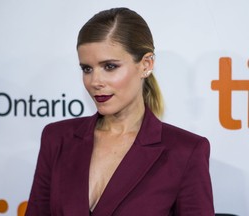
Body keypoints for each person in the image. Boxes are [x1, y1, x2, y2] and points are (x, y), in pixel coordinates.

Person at [25, 7, 215, 216]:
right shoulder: (57, 138)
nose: (95, 81)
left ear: (146, 64)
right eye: (87, 69)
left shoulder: (185, 152)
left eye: (109, 66)